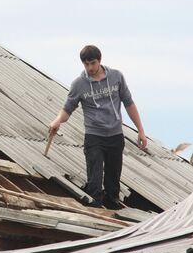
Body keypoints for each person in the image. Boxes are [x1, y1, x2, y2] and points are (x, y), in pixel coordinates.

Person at [48, 45, 147, 209]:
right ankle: (95, 205)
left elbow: (129, 103)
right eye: (86, 64)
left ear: (99, 60)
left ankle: (113, 205)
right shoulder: (79, 84)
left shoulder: (116, 77)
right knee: (95, 178)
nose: (90, 68)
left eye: (93, 63)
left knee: (113, 178)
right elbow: (67, 109)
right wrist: (57, 121)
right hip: (94, 136)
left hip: (115, 135)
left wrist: (141, 131)